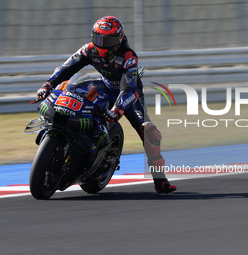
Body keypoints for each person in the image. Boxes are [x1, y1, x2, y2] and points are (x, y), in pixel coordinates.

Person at [37, 16, 176, 194]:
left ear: (118, 39)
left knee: (149, 131)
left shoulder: (128, 57)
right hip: (105, 86)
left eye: (107, 40)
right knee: (74, 98)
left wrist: (118, 110)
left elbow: (129, 88)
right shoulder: (88, 49)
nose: (101, 44)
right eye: (98, 38)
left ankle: (160, 181)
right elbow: (66, 68)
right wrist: (48, 84)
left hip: (129, 95)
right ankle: (75, 143)